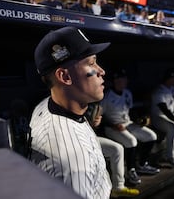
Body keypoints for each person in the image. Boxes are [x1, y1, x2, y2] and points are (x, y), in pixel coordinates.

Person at [29, 26, 112, 199]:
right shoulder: (74, 165)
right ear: (65, 77)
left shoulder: (46, 105)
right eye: (91, 63)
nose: (101, 71)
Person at [100, 68, 160, 185]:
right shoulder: (106, 96)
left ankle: (142, 164)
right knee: (132, 141)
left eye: (123, 80)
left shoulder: (127, 93)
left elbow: (130, 110)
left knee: (151, 136)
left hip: (127, 123)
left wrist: (139, 120)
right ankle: (130, 171)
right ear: (113, 81)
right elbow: (100, 118)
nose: (121, 82)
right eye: (118, 80)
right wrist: (113, 125)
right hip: (113, 127)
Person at [85, 103, 140, 198]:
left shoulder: (89, 104)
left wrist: (95, 124)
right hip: (74, 142)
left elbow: (90, 125)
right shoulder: (65, 105)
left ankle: (118, 187)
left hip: (89, 137)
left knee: (117, 149)